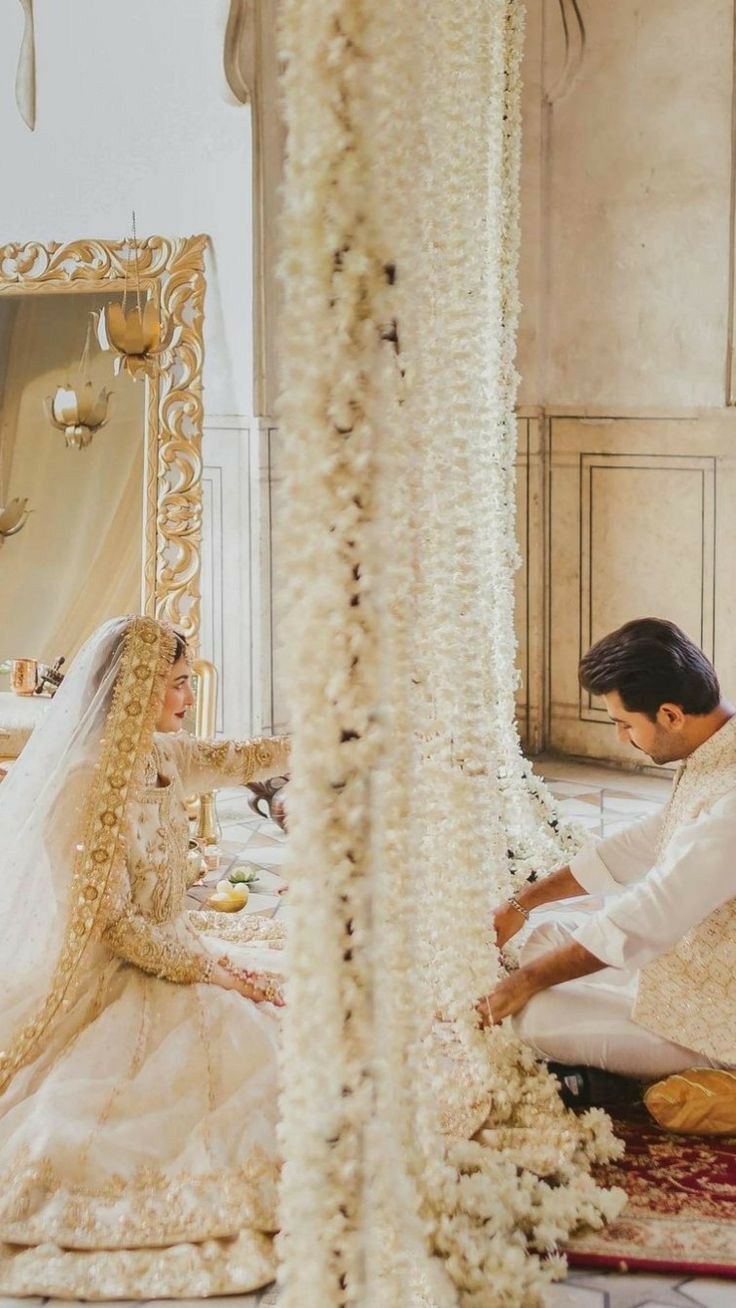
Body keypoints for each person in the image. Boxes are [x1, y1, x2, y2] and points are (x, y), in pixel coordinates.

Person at [0, 615, 290, 1299]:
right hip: (119, 970)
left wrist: (329, 743)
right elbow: (118, 930)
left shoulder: (159, 754)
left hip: (178, 943)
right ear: (136, 688)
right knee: (237, 1054)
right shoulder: (82, 784)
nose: (189, 697)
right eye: (179, 684)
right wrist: (215, 971)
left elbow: (239, 757)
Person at [477, 618, 736, 1085]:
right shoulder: (717, 750)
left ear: (671, 714)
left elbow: (650, 914)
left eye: (624, 724)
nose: (621, 737)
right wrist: (522, 902)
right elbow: (645, 840)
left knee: (531, 1017)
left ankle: (713, 1077)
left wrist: (525, 983)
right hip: (692, 967)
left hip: (719, 1022)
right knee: (549, 936)